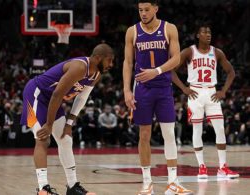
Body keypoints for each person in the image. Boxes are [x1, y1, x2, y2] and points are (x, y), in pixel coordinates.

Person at [20, 43, 114, 195]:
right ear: (97, 58)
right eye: (109, 60)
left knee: (65, 139)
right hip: (36, 94)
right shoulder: (80, 67)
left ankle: (73, 187)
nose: (111, 64)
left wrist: (69, 123)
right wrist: (49, 124)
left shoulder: (96, 74)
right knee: (43, 138)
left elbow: (82, 98)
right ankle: (43, 189)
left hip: (53, 100)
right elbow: (57, 94)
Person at [122, 0, 193, 194]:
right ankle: (147, 182)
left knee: (169, 134)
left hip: (163, 87)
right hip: (142, 88)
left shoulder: (169, 28)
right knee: (144, 134)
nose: (143, 13)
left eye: (146, 9)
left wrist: (157, 71)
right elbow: (128, 62)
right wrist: (127, 91)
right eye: (140, 10)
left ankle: (173, 182)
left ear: (155, 9)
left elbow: (176, 58)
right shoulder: (132, 31)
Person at [171, 23, 239, 179]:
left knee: (220, 129)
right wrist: (184, 88)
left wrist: (223, 91)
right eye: (204, 32)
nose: (208, 34)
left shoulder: (217, 52)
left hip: (212, 92)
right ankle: (201, 167)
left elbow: (231, 72)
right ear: (197, 35)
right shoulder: (189, 51)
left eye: (209, 32)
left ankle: (223, 167)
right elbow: (171, 70)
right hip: (195, 92)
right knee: (197, 130)